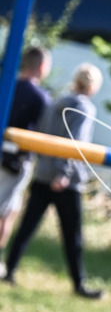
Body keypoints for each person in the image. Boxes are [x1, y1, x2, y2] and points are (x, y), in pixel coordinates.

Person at [2, 63, 104, 298]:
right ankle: (79, 284)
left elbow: (42, 134)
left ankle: (10, 270)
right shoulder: (84, 108)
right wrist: (64, 174)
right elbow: (74, 142)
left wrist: (48, 167)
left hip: (42, 174)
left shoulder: (55, 102)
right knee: (73, 236)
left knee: (26, 227)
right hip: (64, 181)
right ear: (93, 86)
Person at [0, 46, 52, 270]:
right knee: (7, 212)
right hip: (17, 161)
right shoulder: (41, 98)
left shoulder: (7, 87)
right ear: (41, 66)